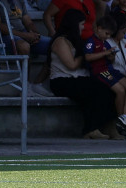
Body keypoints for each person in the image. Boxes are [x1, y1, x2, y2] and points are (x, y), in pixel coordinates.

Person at [47, 8, 119, 140]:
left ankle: (108, 125)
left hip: (77, 77)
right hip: (62, 80)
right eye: (81, 24)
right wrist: (87, 56)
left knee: (109, 87)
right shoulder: (60, 41)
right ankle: (90, 128)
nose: (83, 27)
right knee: (95, 90)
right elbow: (71, 64)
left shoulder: (76, 40)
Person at [85, 14, 126, 133]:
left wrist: (111, 56)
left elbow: (109, 59)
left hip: (110, 68)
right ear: (99, 28)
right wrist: (105, 53)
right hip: (100, 71)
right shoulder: (91, 41)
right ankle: (120, 118)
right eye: (106, 34)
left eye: (109, 35)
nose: (107, 37)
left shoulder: (105, 43)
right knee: (120, 91)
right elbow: (87, 57)